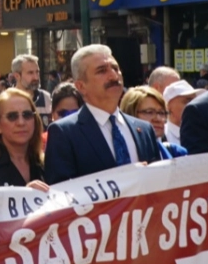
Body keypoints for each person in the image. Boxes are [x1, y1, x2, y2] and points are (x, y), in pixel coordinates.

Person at [45, 45, 163, 184]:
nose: (113, 76)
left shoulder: (144, 129)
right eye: (102, 71)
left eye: (115, 68)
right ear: (81, 86)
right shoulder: (64, 133)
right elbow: (62, 193)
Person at [0, 89, 49, 189]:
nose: (21, 122)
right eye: (12, 116)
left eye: (27, 115)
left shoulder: (46, 163)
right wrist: (24, 195)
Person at [121, 86, 187, 158]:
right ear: (130, 115)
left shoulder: (177, 153)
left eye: (161, 113)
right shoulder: (123, 155)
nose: (158, 119)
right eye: (149, 112)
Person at [161, 80, 202, 146]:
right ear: (168, 106)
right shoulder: (160, 136)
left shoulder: (203, 133)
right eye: (187, 101)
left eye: (195, 101)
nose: (194, 105)